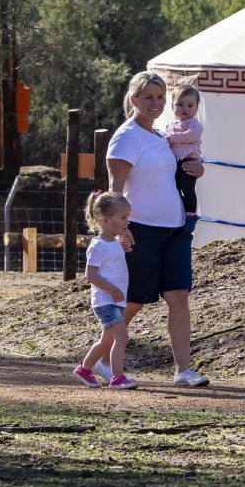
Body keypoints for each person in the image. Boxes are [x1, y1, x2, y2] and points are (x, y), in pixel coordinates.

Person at [94, 71, 210, 388]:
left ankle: (183, 371)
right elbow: (114, 189)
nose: (156, 103)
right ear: (134, 100)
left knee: (179, 296)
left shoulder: (160, 135)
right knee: (133, 300)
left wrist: (196, 169)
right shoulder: (127, 137)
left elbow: (169, 176)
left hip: (176, 229)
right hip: (141, 229)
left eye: (160, 97)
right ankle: (100, 361)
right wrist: (120, 230)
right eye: (148, 97)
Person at [73, 191, 138, 390]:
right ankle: (117, 377)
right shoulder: (98, 246)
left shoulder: (114, 243)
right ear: (105, 220)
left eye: (128, 217)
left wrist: (125, 249)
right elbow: (90, 275)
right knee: (122, 337)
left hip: (115, 300)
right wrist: (113, 290)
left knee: (105, 341)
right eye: (123, 218)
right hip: (105, 301)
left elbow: (114, 265)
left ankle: (84, 368)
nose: (128, 222)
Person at [164, 84, 203, 233]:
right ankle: (178, 214)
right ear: (172, 106)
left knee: (188, 189)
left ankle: (191, 216)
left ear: (196, 108)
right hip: (174, 163)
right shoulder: (170, 126)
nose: (184, 108)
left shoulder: (194, 124)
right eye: (179, 105)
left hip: (187, 161)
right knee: (174, 189)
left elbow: (191, 136)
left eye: (190, 105)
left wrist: (171, 138)